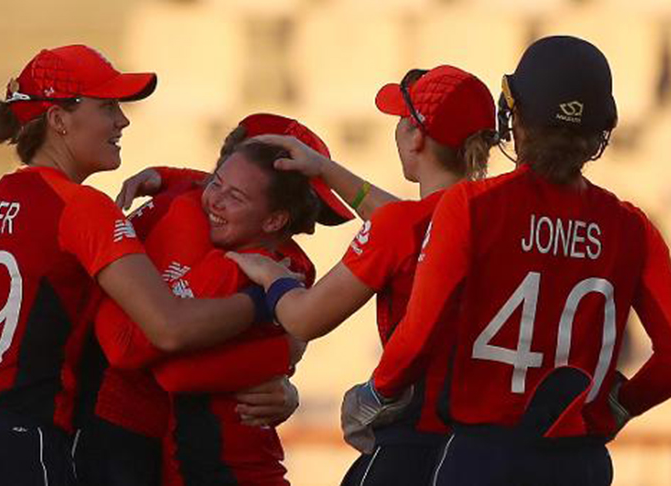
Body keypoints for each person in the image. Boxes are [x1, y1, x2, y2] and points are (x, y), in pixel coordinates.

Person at [339, 35, 671, 486]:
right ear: (602, 130)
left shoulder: (471, 206)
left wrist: (376, 392)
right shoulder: (632, 226)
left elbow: (419, 332)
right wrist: (624, 402)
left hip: (483, 454)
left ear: (513, 117)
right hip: (580, 461)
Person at [0, 45, 264, 486]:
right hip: (20, 441)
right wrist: (266, 300)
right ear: (59, 120)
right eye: (107, 106)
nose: (122, 120)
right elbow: (168, 327)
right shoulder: (81, 206)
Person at [227, 66, 497, 485]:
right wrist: (326, 170)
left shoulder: (404, 226)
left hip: (415, 441)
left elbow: (304, 319)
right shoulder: (503, 214)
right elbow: (411, 223)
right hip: (493, 444)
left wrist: (269, 274)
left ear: (416, 136)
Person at [79, 114, 354, 486]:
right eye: (218, 181)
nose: (216, 198)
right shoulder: (255, 256)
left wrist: (285, 369)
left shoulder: (273, 263)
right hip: (140, 439)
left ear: (276, 218)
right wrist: (283, 345)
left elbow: (165, 365)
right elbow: (143, 355)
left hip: (198, 455)